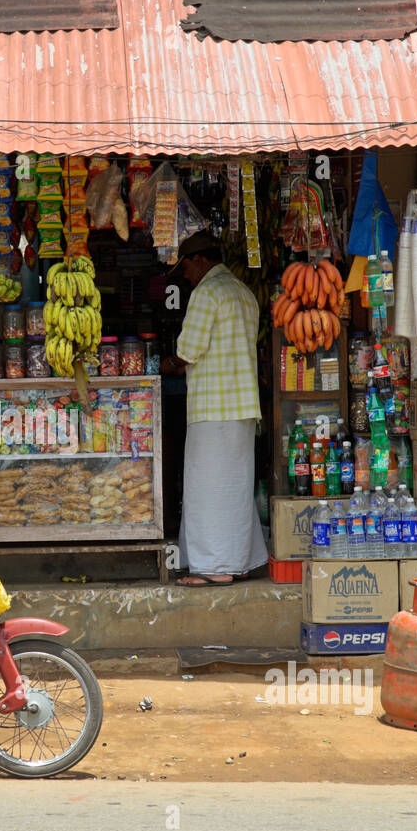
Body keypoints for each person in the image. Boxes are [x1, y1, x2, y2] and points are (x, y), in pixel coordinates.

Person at [161, 231, 267, 586]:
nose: (187, 276)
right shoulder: (243, 292)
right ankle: (239, 560)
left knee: (207, 489)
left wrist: (169, 363)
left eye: (187, 268)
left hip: (213, 408)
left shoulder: (207, 292)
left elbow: (188, 350)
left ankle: (215, 569)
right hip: (241, 407)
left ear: (201, 261)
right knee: (235, 488)